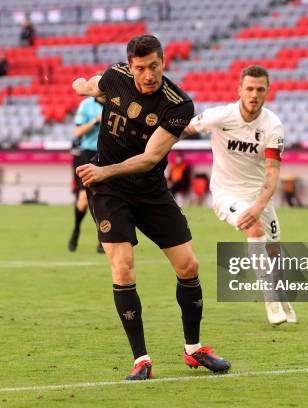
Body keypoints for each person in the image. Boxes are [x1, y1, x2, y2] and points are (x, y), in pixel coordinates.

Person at [73, 34, 230, 380]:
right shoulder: (116, 77)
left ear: (163, 62)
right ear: (130, 67)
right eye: (141, 68)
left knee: (188, 265)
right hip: (109, 191)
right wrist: (81, 85)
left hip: (148, 188)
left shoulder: (177, 105)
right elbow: (91, 85)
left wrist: (102, 170)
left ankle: (193, 350)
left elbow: (150, 158)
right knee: (123, 268)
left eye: (154, 66)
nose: (148, 75)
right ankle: (141, 359)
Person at [183, 65, 296, 326]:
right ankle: (271, 303)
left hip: (258, 194)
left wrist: (258, 204)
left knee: (274, 249)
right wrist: (153, 153)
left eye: (260, 89)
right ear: (239, 90)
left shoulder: (273, 126)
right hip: (226, 193)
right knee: (254, 230)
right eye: (249, 89)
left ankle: (281, 296)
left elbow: (271, 173)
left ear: (267, 92)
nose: (254, 94)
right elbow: (184, 129)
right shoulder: (219, 116)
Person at [68, 95, 105, 254]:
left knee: (105, 198)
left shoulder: (117, 102)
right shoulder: (86, 105)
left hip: (108, 155)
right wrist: (97, 120)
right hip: (87, 154)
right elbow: (78, 131)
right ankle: (76, 230)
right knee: (83, 199)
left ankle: (103, 238)